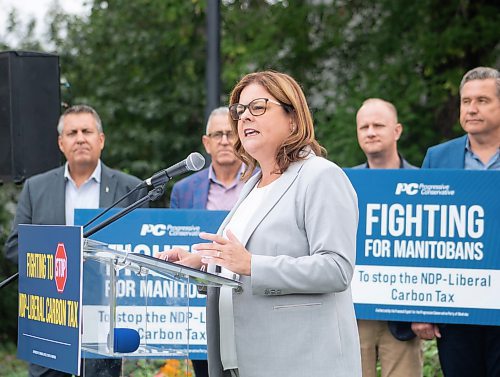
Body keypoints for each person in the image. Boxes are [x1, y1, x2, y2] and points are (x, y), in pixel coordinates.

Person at [158, 71, 361, 377]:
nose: (244, 118)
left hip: (299, 361)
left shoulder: (320, 176)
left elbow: (336, 269)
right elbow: (242, 262)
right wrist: (202, 265)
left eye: (258, 107)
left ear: (292, 118)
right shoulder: (252, 185)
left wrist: (253, 265)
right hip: (241, 361)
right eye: (239, 111)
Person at [4, 104, 147, 377]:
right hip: (51, 324)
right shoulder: (36, 188)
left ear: (101, 140)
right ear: (61, 143)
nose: (80, 138)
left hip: (105, 325)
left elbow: (142, 254)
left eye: (87, 131)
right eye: (72, 133)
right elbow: (15, 249)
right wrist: (63, 258)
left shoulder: (131, 189)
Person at [413, 66, 500, 377]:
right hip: (456, 307)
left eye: (482, 100)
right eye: (466, 101)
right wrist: (422, 308)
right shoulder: (437, 158)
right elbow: (421, 235)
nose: (472, 109)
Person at [169, 106, 245, 377]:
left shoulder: (259, 182)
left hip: (245, 296)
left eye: (230, 133)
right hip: (200, 302)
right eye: (217, 134)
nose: (225, 140)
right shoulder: (184, 190)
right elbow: (177, 238)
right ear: (206, 143)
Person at [353, 98, 422, 377]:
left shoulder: (425, 183)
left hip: (405, 316)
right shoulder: (344, 182)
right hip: (356, 314)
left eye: (378, 125)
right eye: (364, 127)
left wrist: (425, 311)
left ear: (397, 130)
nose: (370, 131)